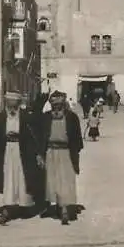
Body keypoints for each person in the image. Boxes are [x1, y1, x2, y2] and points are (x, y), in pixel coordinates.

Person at [0, 91, 45, 225]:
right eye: (9, 103)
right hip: (5, 152)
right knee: (6, 179)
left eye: (14, 103)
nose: (11, 106)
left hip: (23, 153)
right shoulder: (0, 118)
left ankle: (22, 206)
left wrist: (38, 154)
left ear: (19, 103)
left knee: (22, 178)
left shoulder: (26, 118)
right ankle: (7, 209)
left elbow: (34, 137)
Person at [37, 90, 83, 225]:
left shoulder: (72, 118)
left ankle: (64, 210)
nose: (56, 108)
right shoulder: (45, 118)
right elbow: (40, 138)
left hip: (66, 153)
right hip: (50, 152)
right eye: (54, 106)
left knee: (65, 181)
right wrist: (40, 154)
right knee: (52, 181)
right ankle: (56, 206)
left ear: (64, 105)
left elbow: (78, 139)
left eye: (59, 106)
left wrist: (75, 153)